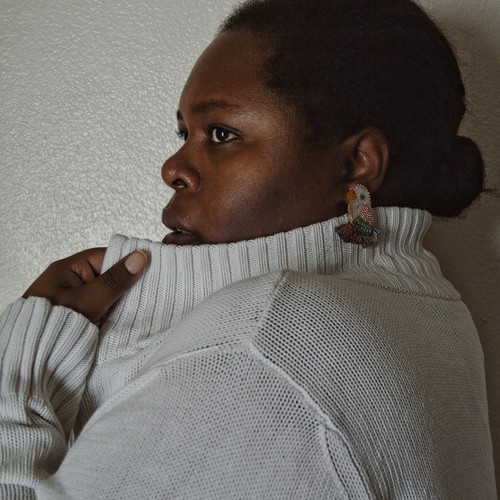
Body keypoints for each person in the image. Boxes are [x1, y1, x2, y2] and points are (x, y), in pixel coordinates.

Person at [0, 0, 496, 497]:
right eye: (184, 133)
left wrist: (20, 371)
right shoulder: (436, 319)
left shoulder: (263, 338)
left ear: (355, 164)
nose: (172, 168)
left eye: (221, 134)